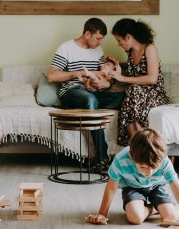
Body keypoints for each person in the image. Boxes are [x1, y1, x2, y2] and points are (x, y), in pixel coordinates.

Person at [85, 128, 179, 229]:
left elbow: (178, 191)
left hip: (157, 185)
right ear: (131, 157)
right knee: (135, 218)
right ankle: (155, 208)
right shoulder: (120, 160)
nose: (149, 173)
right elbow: (111, 188)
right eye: (143, 167)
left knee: (169, 216)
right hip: (132, 187)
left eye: (154, 168)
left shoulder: (164, 161)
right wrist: (102, 214)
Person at [47, 18, 125, 167]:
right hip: (72, 91)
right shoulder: (66, 48)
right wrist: (73, 74)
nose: (100, 42)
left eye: (102, 39)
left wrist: (105, 84)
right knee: (91, 100)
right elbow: (52, 76)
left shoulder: (98, 51)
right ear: (87, 34)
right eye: (98, 38)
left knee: (126, 97)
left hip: (94, 92)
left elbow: (103, 75)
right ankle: (102, 157)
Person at [107, 18, 169, 147]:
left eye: (119, 41)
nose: (119, 44)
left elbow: (152, 78)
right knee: (131, 94)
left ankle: (140, 145)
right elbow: (134, 72)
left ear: (128, 37)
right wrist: (116, 64)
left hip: (154, 93)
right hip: (136, 95)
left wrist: (123, 78)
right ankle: (139, 145)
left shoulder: (150, 48)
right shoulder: (130, 52)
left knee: (132, 91)